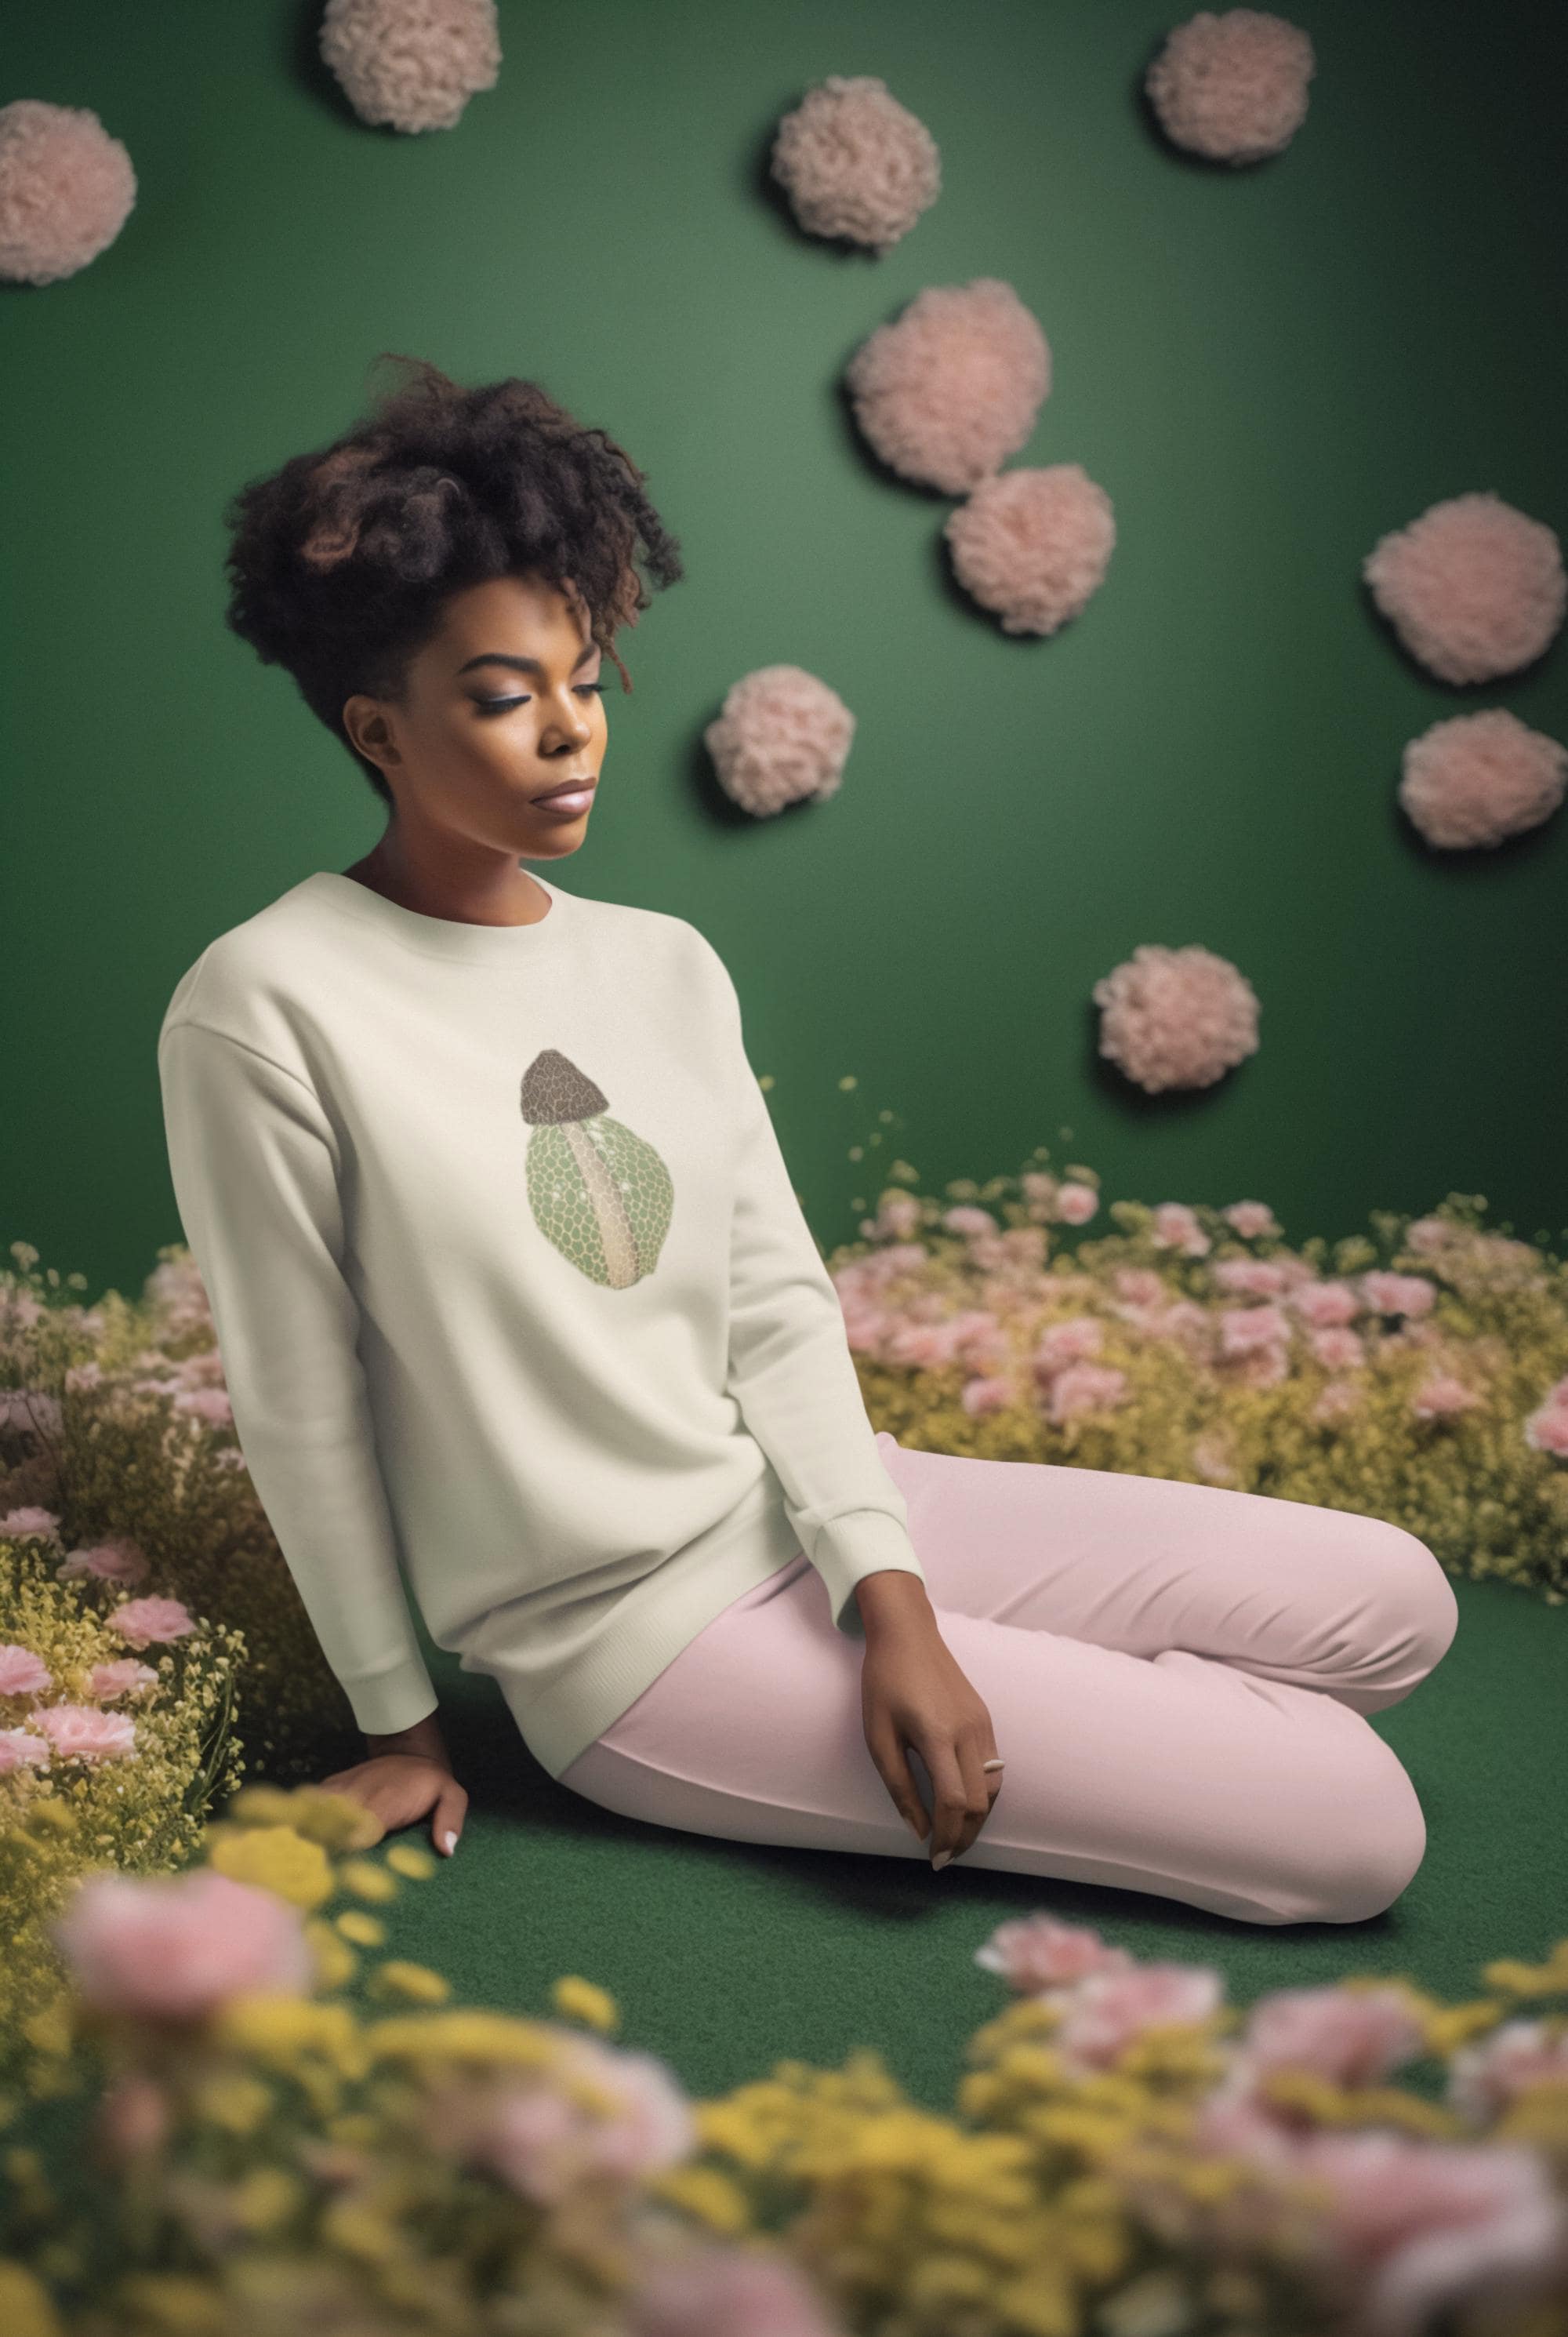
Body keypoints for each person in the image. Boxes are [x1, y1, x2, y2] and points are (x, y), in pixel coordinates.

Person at [158, 356, 1458, 1929]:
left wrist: (889, 1597)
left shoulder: (662, 962)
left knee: (1397, 1599)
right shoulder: (266, 1000)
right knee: (1353, 1827)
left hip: (809, 1509)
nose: (572, 732)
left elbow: (772, 1303)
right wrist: (401, 1722)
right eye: (505, 696)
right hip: (633, 1645)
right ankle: (1142, 1735)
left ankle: (1101, 1710)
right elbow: (303, 1407)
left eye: (584, 677)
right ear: (377, 724)